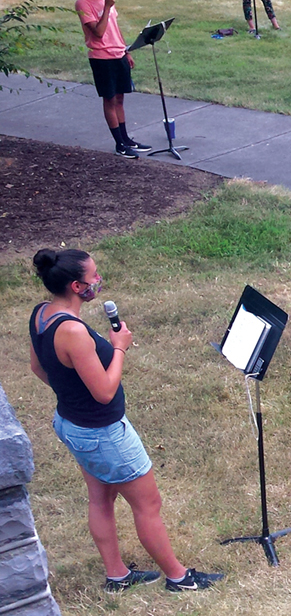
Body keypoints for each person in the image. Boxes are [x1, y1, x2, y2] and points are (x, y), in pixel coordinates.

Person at [28, 249, 225, 592]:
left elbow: (37, 368)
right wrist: (119, 347)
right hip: (103, 432)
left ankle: (117, 576)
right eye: (94, 277)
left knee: (100, 498)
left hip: (71, 424)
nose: (98, 282)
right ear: (77, 286)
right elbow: (104, 391)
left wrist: (72, 395)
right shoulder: (72, 331)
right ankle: (179, 579)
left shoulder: (41, 315)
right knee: (148, 505)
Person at [75, 0, 150, 160]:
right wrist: (106, 7)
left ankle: (126, 139)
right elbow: (98, 32)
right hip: (101, 57)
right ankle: (119, 144)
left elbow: (114, 28)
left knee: (120, 99)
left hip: (118, 54)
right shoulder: (83, 3)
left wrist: (126, 51)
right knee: (109, 99)